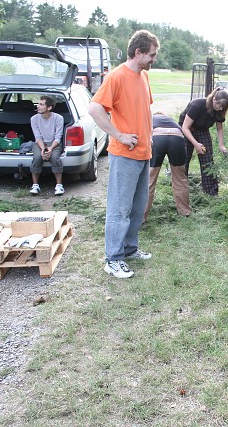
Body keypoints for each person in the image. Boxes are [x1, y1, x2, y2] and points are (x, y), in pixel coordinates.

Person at [89, 29, 159, 279]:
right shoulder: (117, 76)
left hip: (144, 153)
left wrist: (149, 135)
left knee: (138, 206)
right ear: (138, 52)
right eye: (151, 55)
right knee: (120, 209)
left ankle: (129, 249)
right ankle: (113, 259)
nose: (154, 59)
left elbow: (145, 109)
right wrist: (119, 135)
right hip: (124, 154)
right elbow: (95, 108)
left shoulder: (143, 77)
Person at [179, 87, 228, 196]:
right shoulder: (197, 105)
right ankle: (182, 190)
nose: (220, 109)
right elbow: (185, 128)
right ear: (213, 99)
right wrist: (196, 144)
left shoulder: (219, 111)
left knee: (208, 161)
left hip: (202, 130)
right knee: (185, 159)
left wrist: (221, 145)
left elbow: (219, 128)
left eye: (223, 107)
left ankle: (210, 192)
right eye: (219, 105)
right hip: (187, 129)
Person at [144, 112, 192, 220]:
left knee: (149, 178)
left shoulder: (151, 118)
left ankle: (141, 216)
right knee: (180, 177)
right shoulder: (171, 120)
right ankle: (185, 211)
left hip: (157, 137)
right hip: (177, 138)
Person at [29, 95, 65, 196]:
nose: (38, 106)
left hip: (54, 143)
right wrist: (43, 149)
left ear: (49, 107)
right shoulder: (34, 119)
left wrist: (50, 148)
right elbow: (37, 137)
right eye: (38, 104)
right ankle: (35, 185)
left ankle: (59, 185)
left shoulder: (58, 118)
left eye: (41, 104)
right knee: (37, 157)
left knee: (55, 157)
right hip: (40, 143)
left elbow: (58, 137)